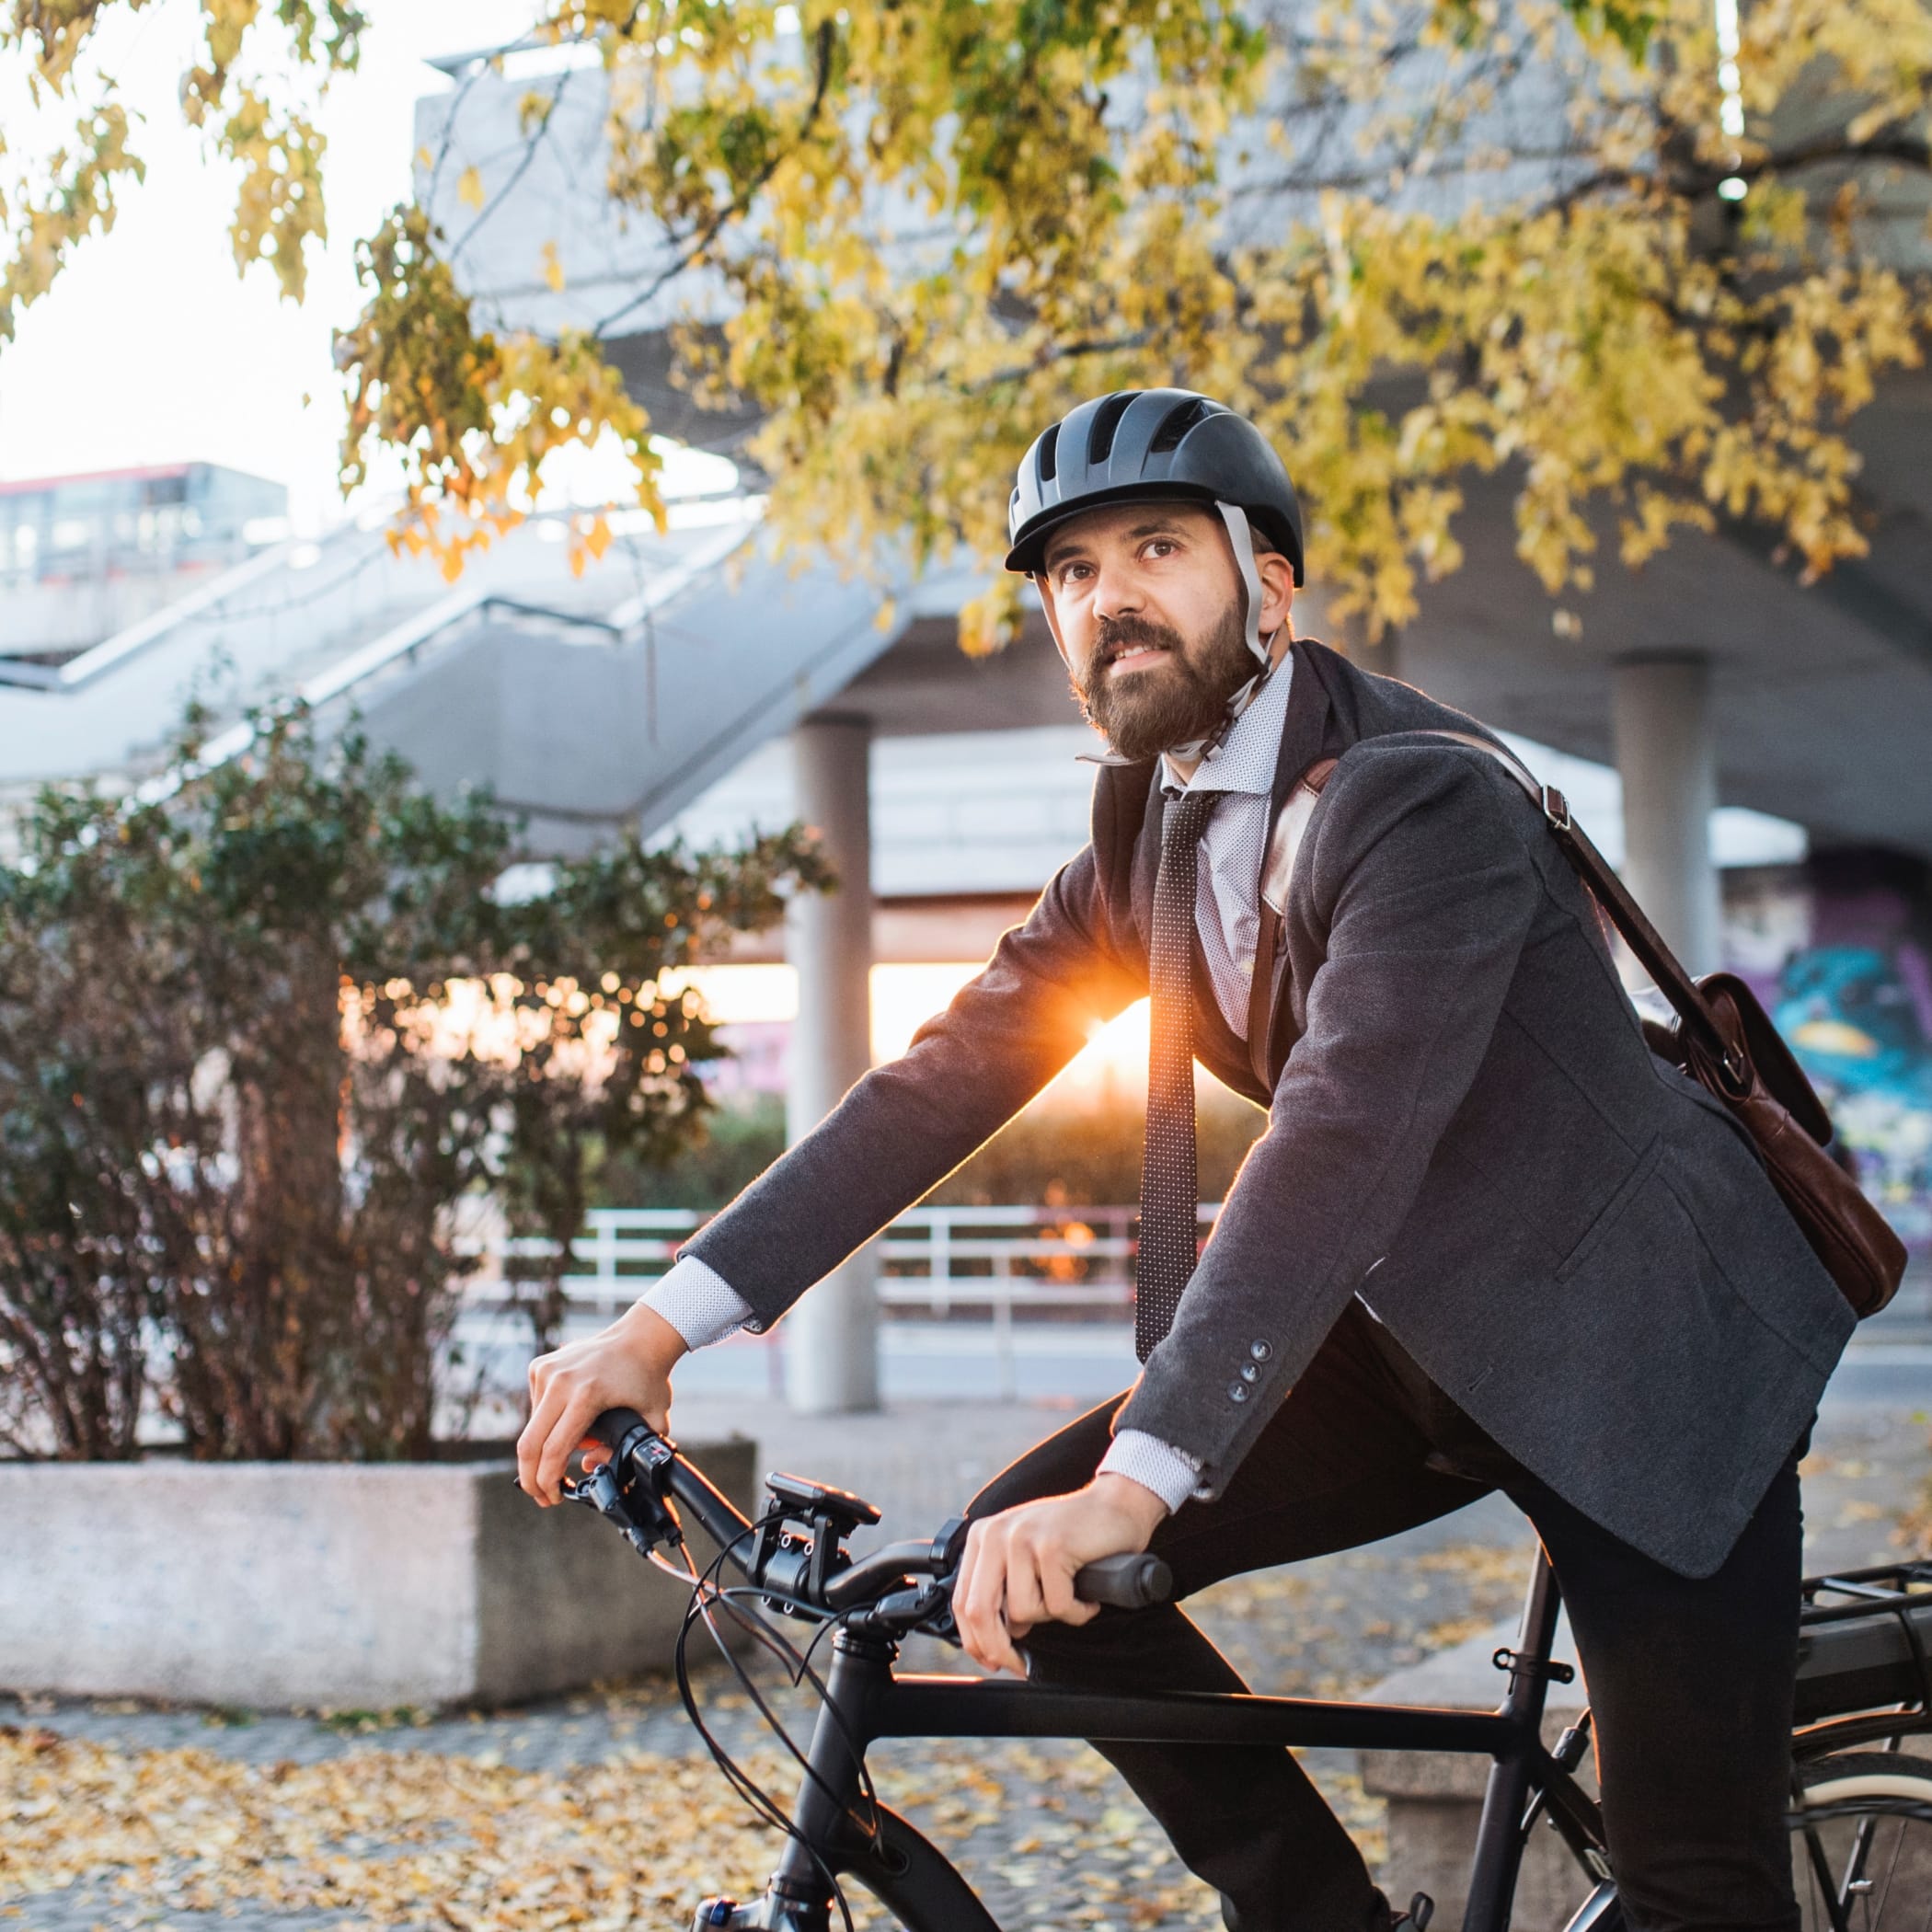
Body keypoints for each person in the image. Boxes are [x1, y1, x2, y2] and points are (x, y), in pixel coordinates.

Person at [518, 390, 1854, 1932]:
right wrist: (657, 1326)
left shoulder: (1419, 799)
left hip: (1641, 1343)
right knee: (1023, 1572)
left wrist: (1139, 1480)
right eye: (1073, 572)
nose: (1111, 597)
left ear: (1269, 590)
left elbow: (1337, 1138)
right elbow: (944, 1076)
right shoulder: (1143, 838)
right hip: (1423, 1334)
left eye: (1157, 547)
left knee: (1699, 1889)